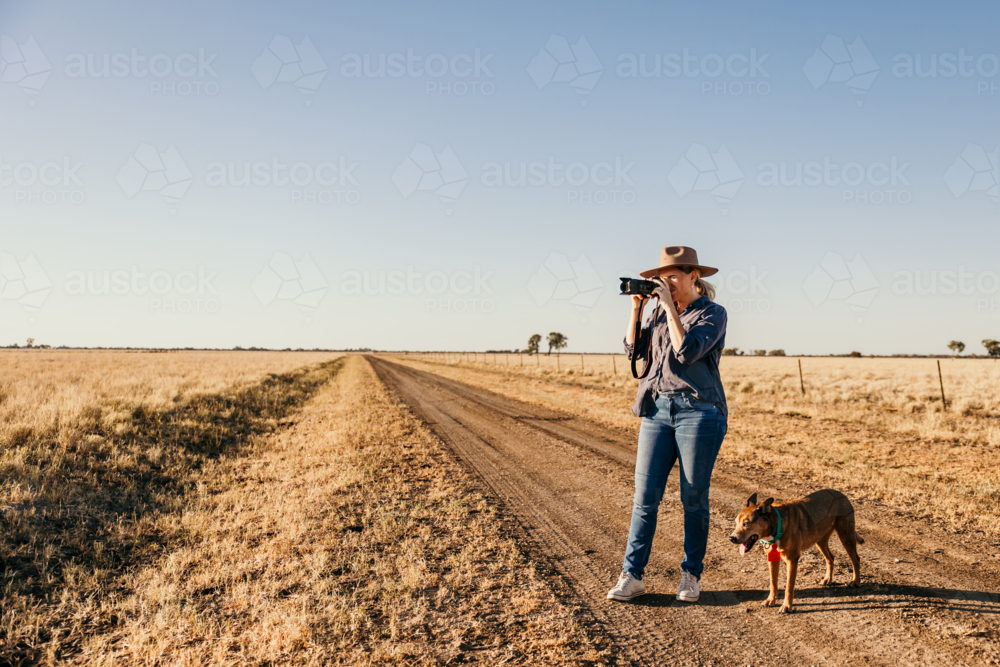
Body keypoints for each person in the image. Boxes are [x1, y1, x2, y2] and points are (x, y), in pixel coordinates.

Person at [607, 246, 729, 604]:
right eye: (663, 278)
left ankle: (691, 575)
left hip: (699, 412)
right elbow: (633, 353)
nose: (667, 283)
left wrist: (672, 312)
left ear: (694, 277)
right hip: (657, 409)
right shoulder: (656, 313)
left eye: (674, 276)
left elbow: (686, 351)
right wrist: (638, 308)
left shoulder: (712, 313)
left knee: (693, 497)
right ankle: (632, 575)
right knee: (644, 499)